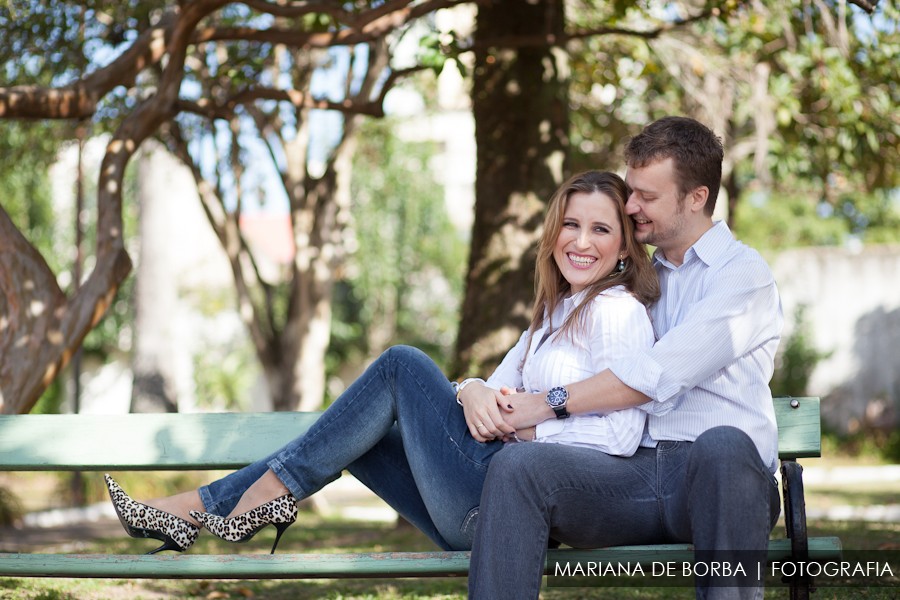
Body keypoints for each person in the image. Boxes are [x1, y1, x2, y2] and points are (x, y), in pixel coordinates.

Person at [105, 170, 660, 556]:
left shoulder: (615, 312)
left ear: (622, 248)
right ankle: (213, 507)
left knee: (401, 365)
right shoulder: (552, 315)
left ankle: (228, 504)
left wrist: (532, 427)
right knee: (354, 434)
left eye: (600, 229)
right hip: (477, 503)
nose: (580, 241)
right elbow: (488, 393)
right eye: (570, 224)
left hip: (506, 508)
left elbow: (621, 435)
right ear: (552, 233)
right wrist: (468, 389)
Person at [468, 116, 784, 600]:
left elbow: (654, 376)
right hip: (634, 476)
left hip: (719, 481)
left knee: (723, 445)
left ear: (696, 197)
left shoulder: (742, 277)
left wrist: (544, 404)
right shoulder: (634, 280)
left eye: (647, 197)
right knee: (519, 468)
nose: (631, 206)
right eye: (631, 191)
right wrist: (476, 388)